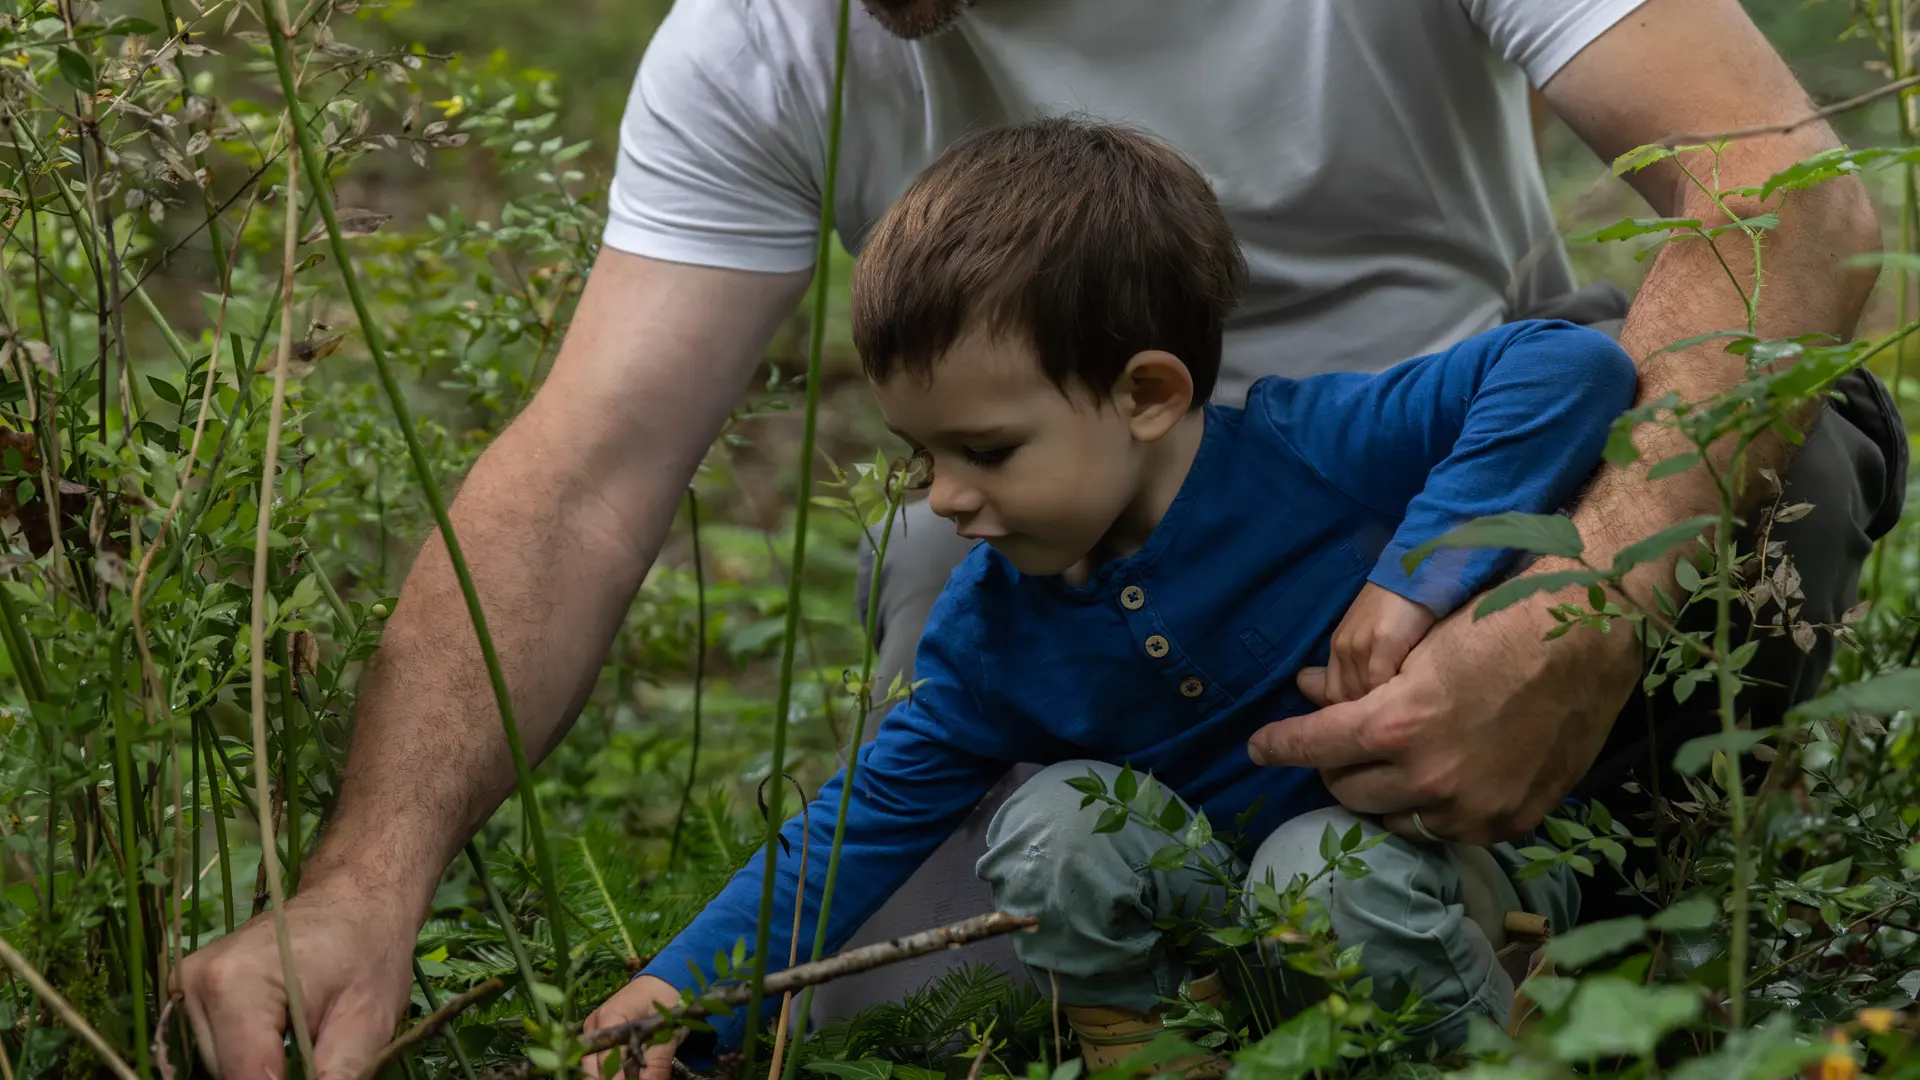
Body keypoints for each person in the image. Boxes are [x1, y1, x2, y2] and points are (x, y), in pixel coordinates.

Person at [175, 2, 1903, 1078]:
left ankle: (1628, 939)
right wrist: (367, 889)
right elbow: (580, 476)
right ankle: (1156, 986)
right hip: (1078, 574)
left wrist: (1563, 609)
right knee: (893, 987)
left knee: (1780, 455)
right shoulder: (765, 38)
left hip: (1423, 495)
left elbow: (1793, 209)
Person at [593, 115, 1640, 1077]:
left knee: (1319, 864)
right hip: (1231, 924)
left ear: (1147, 395)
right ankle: (1174, 1053)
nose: (948, 499)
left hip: (1432, 878)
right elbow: (853, 825)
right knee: (1052, 822)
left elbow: (1564, 366)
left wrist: (1412, 581)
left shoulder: (1307, 451)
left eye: (987, 451)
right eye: (925, 457)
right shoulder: (994, 627)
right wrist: (683, 990)